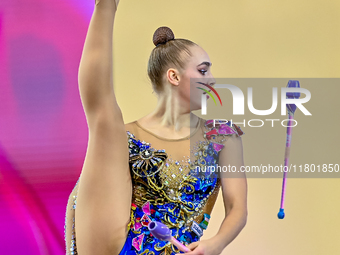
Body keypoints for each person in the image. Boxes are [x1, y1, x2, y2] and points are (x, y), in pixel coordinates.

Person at [64, 0, 248, 254]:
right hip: (119, 245)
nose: (212, 80)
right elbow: (99, 103)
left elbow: (237, 208)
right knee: (106, 122)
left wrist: (216, 243)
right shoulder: (125, 136)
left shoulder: (222, 137)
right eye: (203, 71)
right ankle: (105, 6)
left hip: (178, 249)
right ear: (174, 76)